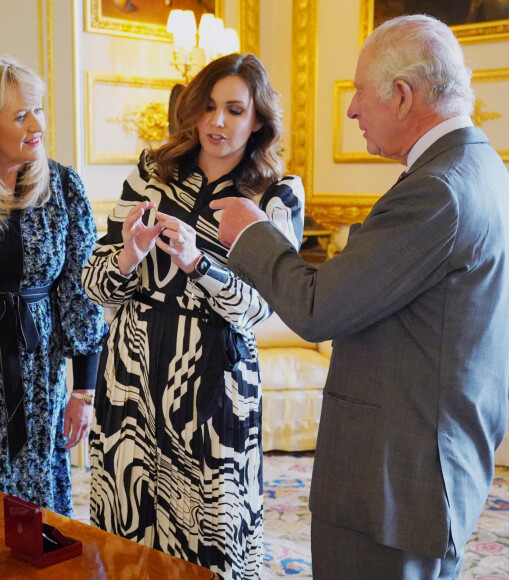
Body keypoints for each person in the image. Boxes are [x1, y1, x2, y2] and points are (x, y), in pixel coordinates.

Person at [211, 15, 509, 580]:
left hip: (392, 491)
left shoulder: (438, 191)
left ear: (403, 96)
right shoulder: (485, 171)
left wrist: (251, 231)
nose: (353, 109)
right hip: (433, 475)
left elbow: (318, 308)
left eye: (360, 91)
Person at [82, 52, 304, 579]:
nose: (217, 122)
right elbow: (95, 286)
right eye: (207, 107)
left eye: (234, 110)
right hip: (130, 375)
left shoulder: (276, 195)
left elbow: (260, 308)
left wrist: (198, 263)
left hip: (214, 383)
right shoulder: (150, 175)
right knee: (125, 523)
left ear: (257, 121)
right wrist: (129, 256)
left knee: (212, 536)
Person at [0, 54, 107, 517]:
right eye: (20, 115)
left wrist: (82, 393)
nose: (36, 124)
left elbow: (82, 295)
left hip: (39, 377)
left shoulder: (63, 187)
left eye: (38, 109)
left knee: (36, 508)